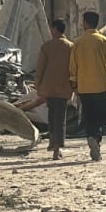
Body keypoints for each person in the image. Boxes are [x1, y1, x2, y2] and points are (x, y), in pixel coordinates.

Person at [69, 11, 106, 161]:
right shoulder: (103, 41)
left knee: (89, 116)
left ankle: (91, 137)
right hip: (100, 87)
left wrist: (74, 87)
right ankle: (96, 139)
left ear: (85, 22)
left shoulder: (77, 43)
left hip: (84, 88)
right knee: (102, 116)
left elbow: (73, 68)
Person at [35, 19, 74, 160]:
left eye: (52, 28)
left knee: (52, 116)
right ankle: (57, 147)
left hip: (49, 87)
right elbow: (74, 68)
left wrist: (37, 85)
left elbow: (40, 68)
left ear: (55, 29)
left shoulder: (46, 47)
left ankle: (53, 143)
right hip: (64, 88)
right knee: (60, 118)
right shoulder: (71, 47)